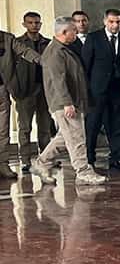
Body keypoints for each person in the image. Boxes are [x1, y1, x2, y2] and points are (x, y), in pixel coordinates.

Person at [29, 17, 106, 186]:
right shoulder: (55, 53)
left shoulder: (63, 49)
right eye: (73, 30)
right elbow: (58, 80)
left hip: (72, 101)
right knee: (77, 137)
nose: (76, 32)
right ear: (64, 32)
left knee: (65, 137)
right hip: (66, 103)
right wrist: (66, 103)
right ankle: (83, 172)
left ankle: (41, 164)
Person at [81, 9, 120, 171]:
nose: (115, 25)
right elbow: (85, 66)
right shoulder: (94, 38)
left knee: (117, 125)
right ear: (104, 21)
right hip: (97, 90)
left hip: (118, 89)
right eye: (111, 22)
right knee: (93, 125)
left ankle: (116, 158)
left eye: (118, 22)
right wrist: (86, 90)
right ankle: (89, 158)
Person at [9, 12, 54, 171]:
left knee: (45, 126)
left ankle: (45, 158)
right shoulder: (17, 44)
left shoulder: (48, 43)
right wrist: (14, 89)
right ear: (24, 24)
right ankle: (25, 160)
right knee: (25, 127)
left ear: (40, 24)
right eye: (30, 22)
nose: (34, 25)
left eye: (37, 23)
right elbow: (10, 68)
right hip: (25, 90)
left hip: (44, 89)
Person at [0, 26, 46, 178]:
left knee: (3, 130)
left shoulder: (7, 38)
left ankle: (3, 164)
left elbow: (25, 51)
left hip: (2, 90)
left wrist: (43, 61)